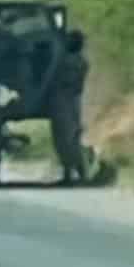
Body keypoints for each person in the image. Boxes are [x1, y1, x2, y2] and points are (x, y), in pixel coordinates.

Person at [49, 29, 90, 184]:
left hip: (64, 100)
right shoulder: (81, 61)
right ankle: (77, 173)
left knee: (64, 138)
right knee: (71, 137)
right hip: (73, 100)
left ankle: (75, 172)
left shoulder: (65, 61)